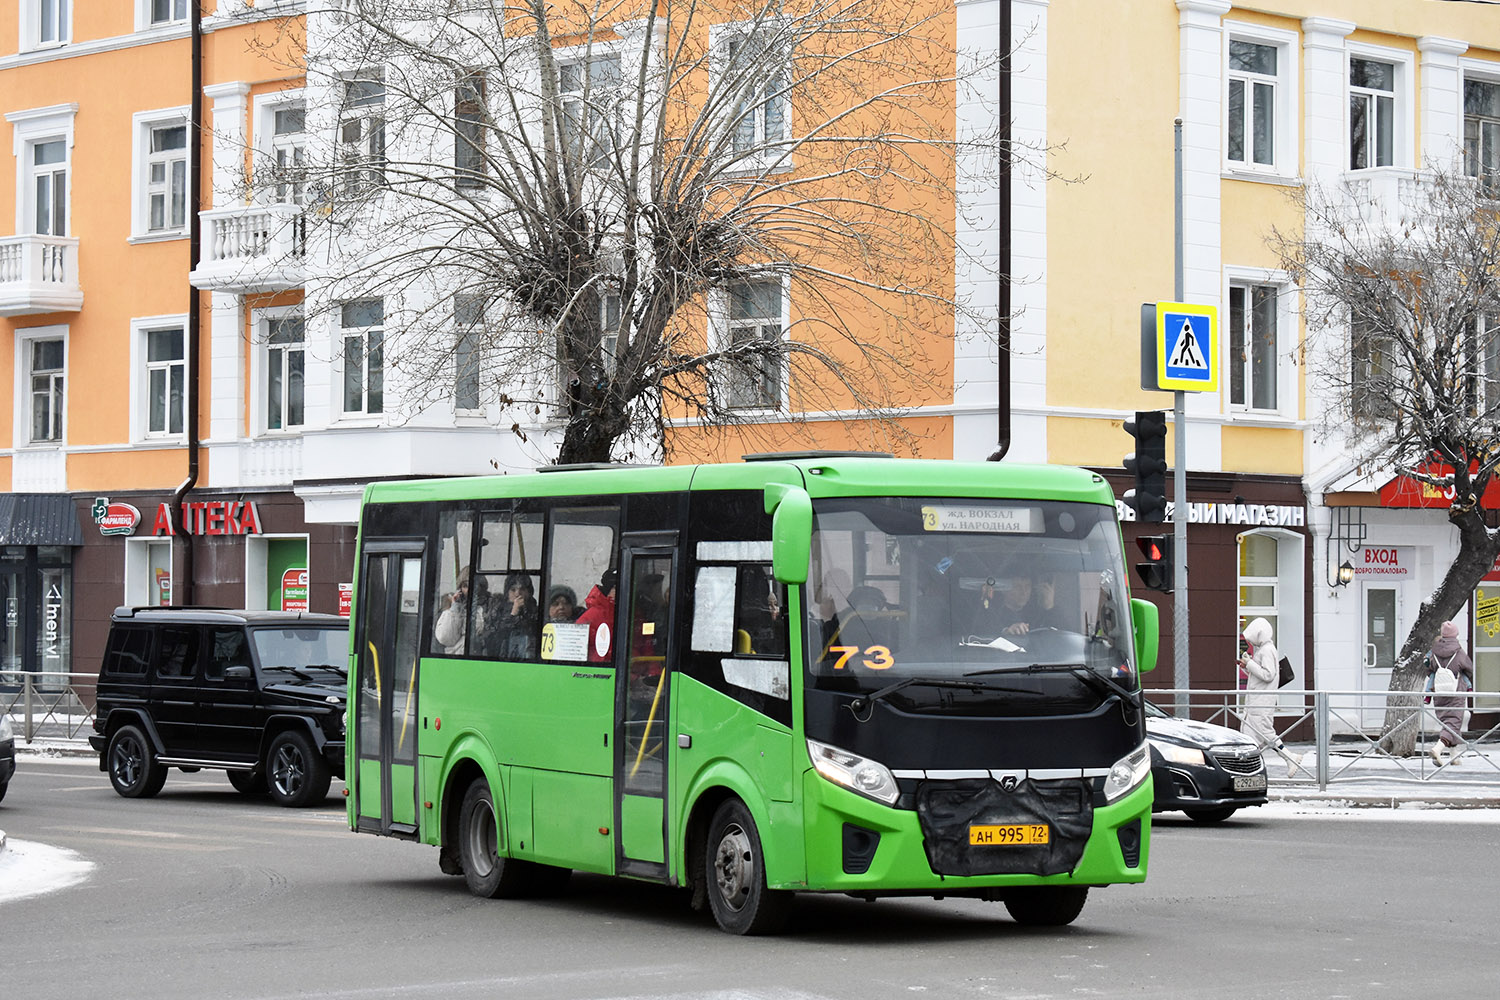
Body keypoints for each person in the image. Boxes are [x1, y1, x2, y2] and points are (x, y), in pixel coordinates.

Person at [1239, 616, 1300, 777]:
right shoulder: (1266, 650)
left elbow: (1268, 674)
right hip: (1257, 701)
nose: (1251, 643)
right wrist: (1247, 666)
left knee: (1263, 733)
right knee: (1250, 736)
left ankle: (1289, 757)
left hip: (1260, 702)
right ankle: (1249, 770)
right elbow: (1260, 675)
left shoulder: (1266, 650)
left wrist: (1250, 664)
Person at [1426, 620, 1475, 765]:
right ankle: (1438, 748)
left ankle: (1454, 756)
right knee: (1454, 721)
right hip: (1455, 692)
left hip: (1438, 691)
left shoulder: (1434, 650)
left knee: (1449, 721)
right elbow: (1469, 668)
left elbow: (1429, 669)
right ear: (1455, 635)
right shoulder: (1458, 651)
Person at [972, 565, 1056, 637]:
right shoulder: (991, 613)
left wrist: (1050, 607)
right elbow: (982, 634)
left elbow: (1062, 634)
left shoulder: (1036, 614)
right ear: (1004, 589)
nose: (1023, 592)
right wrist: (1006, 632)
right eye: (1017, 586)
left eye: (1027, 586)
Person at [486, 572, 539, 659]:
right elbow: (496, 636)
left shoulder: (535, 610)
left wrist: (524, 611)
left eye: (522, 589)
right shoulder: (499, 610)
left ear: (529, 592)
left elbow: (534, 631)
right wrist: (513, 614)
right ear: (507, 593)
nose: (518, 594)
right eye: (513, 590)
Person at [433, 566, 485, 655]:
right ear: (460, 589)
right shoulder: (451, 608)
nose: (469, 590)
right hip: (455, 659)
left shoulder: (489, 607)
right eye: (465, 586)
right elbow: (446, 638)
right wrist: (455, 608)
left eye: (474, 585)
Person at [575, 568, 618, 663]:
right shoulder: (590, 617)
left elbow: (647, 649)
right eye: (615, 587)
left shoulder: (635, 614)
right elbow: (576, 651)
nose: (620, 591)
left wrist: (653, 672)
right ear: (608, 590)